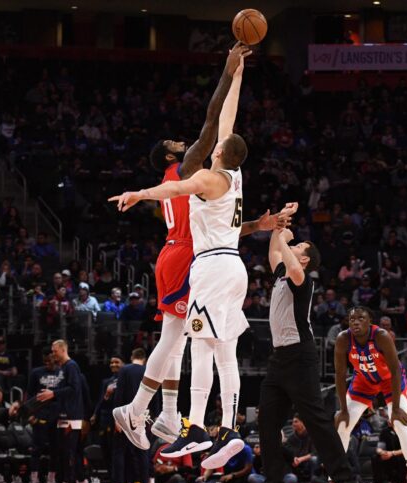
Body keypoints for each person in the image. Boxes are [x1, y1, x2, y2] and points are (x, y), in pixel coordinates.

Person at [112, 43, 288, 455]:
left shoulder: (206, 172)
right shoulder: (209, 168)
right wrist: (235, 72)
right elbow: (219, 122)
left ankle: (173, 417)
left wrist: (235, 72)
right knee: (201, 343)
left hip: (203, 260)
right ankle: (198, 421)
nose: (190, 141)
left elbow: (219, 122)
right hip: (205, 259)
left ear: (222, 153)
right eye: (178, 141)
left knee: (189, 341)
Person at [247, 228, 361, 483]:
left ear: (306, 259)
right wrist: (277, 228)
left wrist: (285, 239)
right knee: (267, 419)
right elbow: (275, 252)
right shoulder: (282, 273)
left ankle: (346, 479)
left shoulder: (303, 279)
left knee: (316, 419)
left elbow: (289, 260)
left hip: (300, 356)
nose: (294, 245)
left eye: (300, 246)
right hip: (279, 358)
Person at [334, 306, 407, 483]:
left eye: (361, 318)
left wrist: (394, 408)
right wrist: (343, 409)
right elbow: (340, 375)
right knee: (342, 424)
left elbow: (394, 370)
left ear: (370, 322)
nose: (356, 322)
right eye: (352, 320)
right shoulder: (343, 339)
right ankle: (335, 482)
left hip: (389, 380)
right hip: (363, 380)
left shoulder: (381, 336)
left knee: (401, 424)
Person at [37, 339, 90, 483]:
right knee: (72, 451)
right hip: (65, 414)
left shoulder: (71, 366)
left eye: (54, 351)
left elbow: (74, 389)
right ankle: (81, 482)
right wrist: (52, 394)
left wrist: (53, 393)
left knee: (68, 451)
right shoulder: (63, 368)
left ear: (62, 349)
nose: (52, 354)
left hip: (71, 416)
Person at [110, 348, 156, 483]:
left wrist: (117, 418)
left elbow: (119, 394)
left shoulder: (125, 370)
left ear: (132, 357)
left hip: (126, 414)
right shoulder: (149, 370)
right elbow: (155, 395)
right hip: (144, 415)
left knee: (121, 451)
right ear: (144, 359)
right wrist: (155, 417)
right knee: (143, 452)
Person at [27, 349, 64, 483]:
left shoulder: (62, 372)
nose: (47, 363)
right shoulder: (36, 373)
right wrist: (30, 413)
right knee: (37, 449)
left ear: (55, 358)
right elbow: (30, 394)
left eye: (50, 360)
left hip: (57, 415)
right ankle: (34, 481)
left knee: (55, 449)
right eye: (45, 361)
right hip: (40, 414)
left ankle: (51, 480)